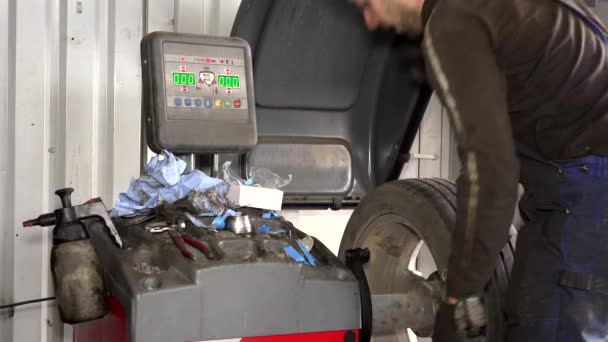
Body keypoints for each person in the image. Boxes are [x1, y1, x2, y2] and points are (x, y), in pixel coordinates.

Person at [352, 0, 608, 340]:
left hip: (588, 191)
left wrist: (460, 294)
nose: (370, 21)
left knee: (546, 322)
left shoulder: (451, 23)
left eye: (367, 4)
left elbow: (492, 173)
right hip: (580, 181)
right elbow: (489, 155)